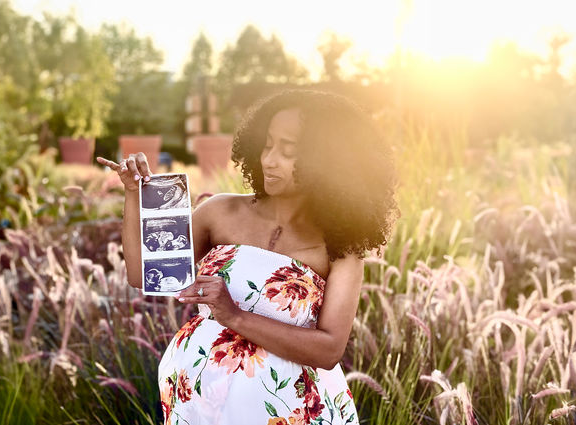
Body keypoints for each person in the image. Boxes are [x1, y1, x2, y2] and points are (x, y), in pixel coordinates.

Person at [96, 89, 400, 425]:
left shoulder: (341, 246)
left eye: (288, 150)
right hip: (200, 405)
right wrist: (133, 194)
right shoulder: (219, 212)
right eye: (267, 144)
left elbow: (329, 350)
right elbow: (142, 274)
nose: (269, 159)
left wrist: (234, 316)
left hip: (290, 412)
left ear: (326, 161)